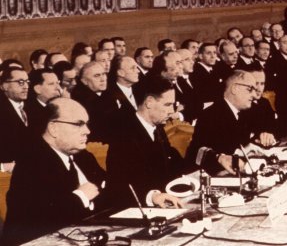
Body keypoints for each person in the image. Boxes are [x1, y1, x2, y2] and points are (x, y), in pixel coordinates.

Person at [2, 98, 107, 246]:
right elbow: (40, 219)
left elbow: (109, 189)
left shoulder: (83, 157)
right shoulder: (32, 162)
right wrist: (81, 196)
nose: (87, 131)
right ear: (53, 128)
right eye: (79, 124)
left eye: (87, 124)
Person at [106, 76, 185, 209]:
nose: (172, 111)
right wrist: (153, 196)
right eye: (167, 105)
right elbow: (122, 184)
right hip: (137, 209)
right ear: (149, 102)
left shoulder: (158, 129)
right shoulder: (123, 133)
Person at [186, 70, 264, 175]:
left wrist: (248, 147)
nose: (254, 95)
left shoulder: (244, 113)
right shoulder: (211, 115)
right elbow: (201, 155)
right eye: (250, 89)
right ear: (235, 89)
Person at [0, 67, 33, 172]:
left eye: (27, 82)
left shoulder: (32, 108)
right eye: (20, 82)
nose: (26, 87)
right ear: (4, 85)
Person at [26, 68, 62, 134]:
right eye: (51, 84)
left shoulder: (61, 106)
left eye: (58, 83)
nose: (58, 88)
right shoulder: (30, 113)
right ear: (37, 89)